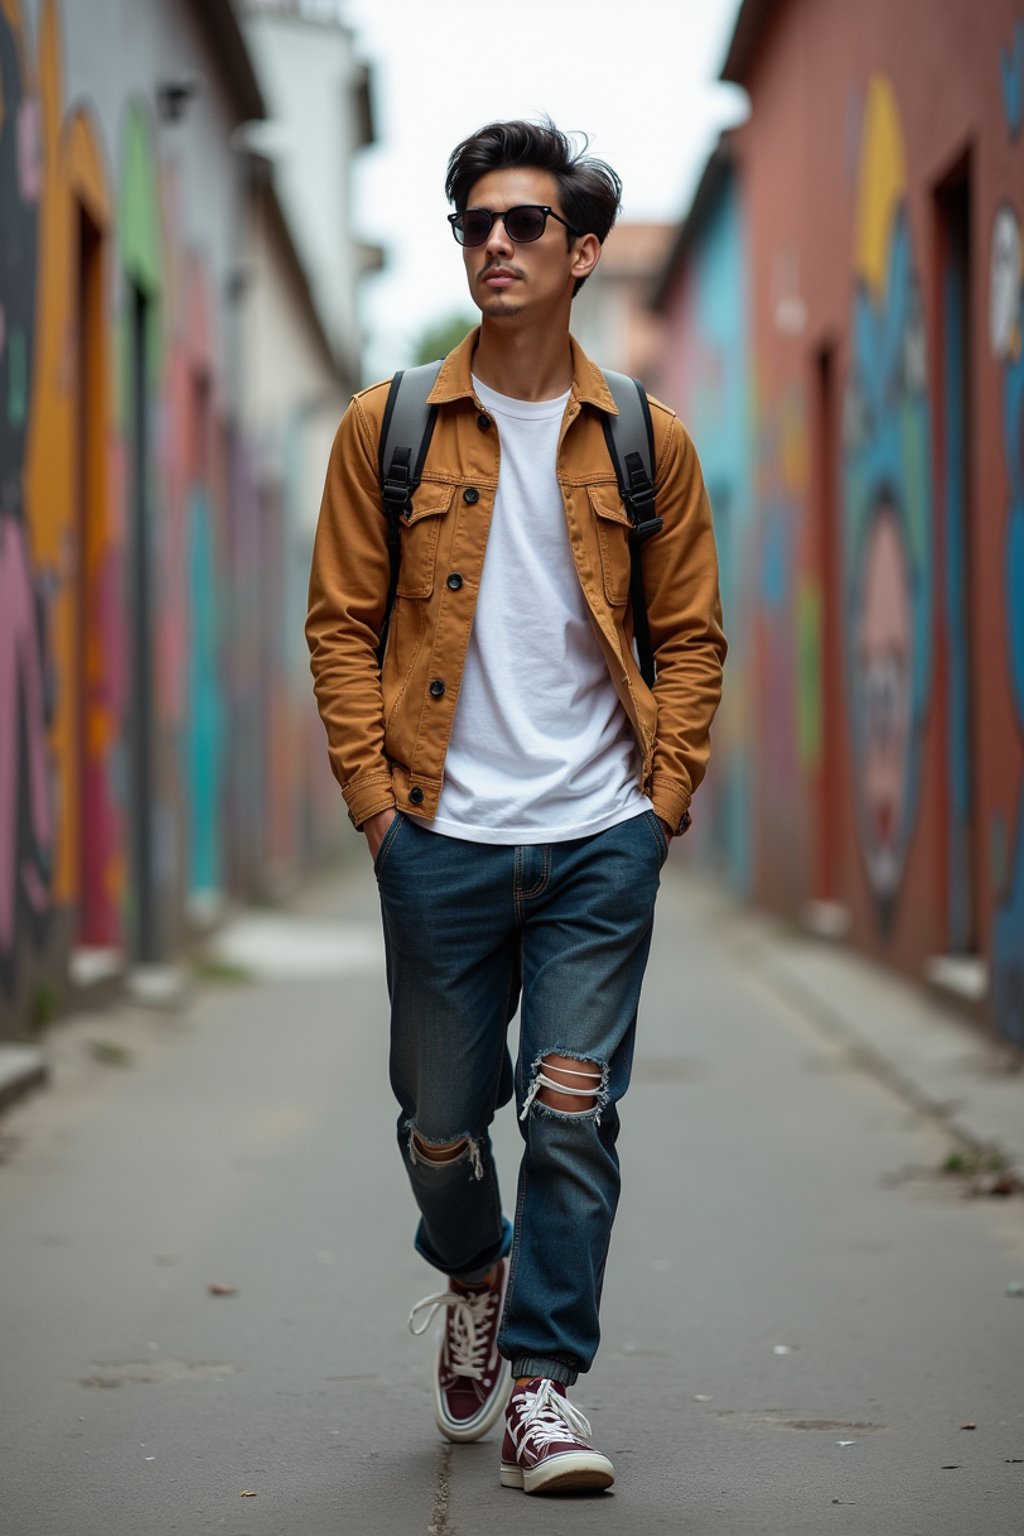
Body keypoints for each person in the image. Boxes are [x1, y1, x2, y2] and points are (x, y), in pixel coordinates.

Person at [306, 118, 725, 1496]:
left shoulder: (648, 441)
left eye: (524, 223)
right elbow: (339, 625)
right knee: (441, 1116)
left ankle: (547, 1386)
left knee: (571, 1106)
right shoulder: (395, 426)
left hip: (599, 832)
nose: (494, 243)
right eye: (473, 224)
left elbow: (692, 636)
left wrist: (659, 802)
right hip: (437, 834)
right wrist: (377, 808)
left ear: (582, 250)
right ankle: (470, 1264)